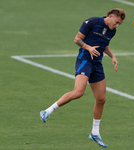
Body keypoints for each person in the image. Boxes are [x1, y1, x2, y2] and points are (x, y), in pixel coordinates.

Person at [40, 8, 126, 148]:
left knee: (101, 99)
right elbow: (77, 39)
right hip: (85, 60)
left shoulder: (112, 31)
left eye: (119, 24)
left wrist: (113, 56)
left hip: (97, 64)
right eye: (116, 22)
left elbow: (104, 45)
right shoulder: (92, 21)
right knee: (78, 92)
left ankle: (94, 133)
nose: (117, 26)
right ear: (110, 16)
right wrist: (88, 47)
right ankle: (48, 111)